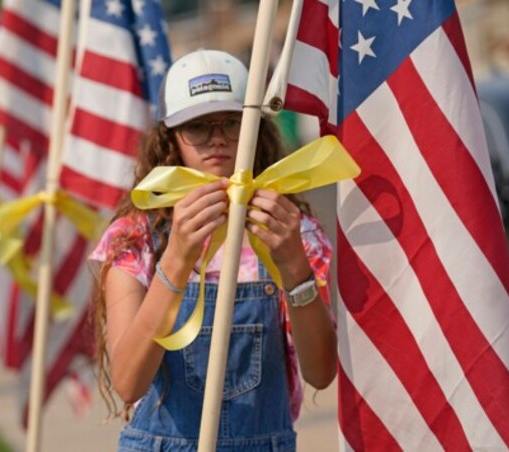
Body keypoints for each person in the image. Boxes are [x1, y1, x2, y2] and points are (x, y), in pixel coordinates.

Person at [90, 50, 337, 451]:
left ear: (255, 127)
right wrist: (177, 258)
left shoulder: (293, 231)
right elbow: (128, 381)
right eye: (198, 126)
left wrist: (294, 267)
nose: (217, 138)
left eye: (232, 123)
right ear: (171, 137)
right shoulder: (137, 238)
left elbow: (321, 371)